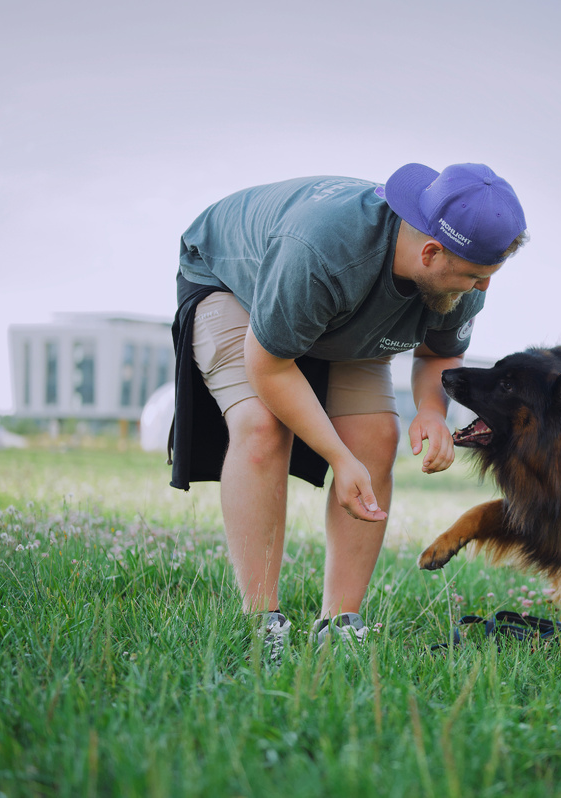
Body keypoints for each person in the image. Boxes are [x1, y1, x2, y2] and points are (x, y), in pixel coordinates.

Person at [168, 163, 528, 650]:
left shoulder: (461, 275)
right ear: (430, 251)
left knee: (377, 437)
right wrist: (338, 457)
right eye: (474, 277)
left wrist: (431, 410)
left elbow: (440, 353)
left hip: (347, 312)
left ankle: (339, 624)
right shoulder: (322, 251)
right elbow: (270, 365)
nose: (483, 289)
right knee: (261, 429)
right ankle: (261, 622)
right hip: (234, 282)